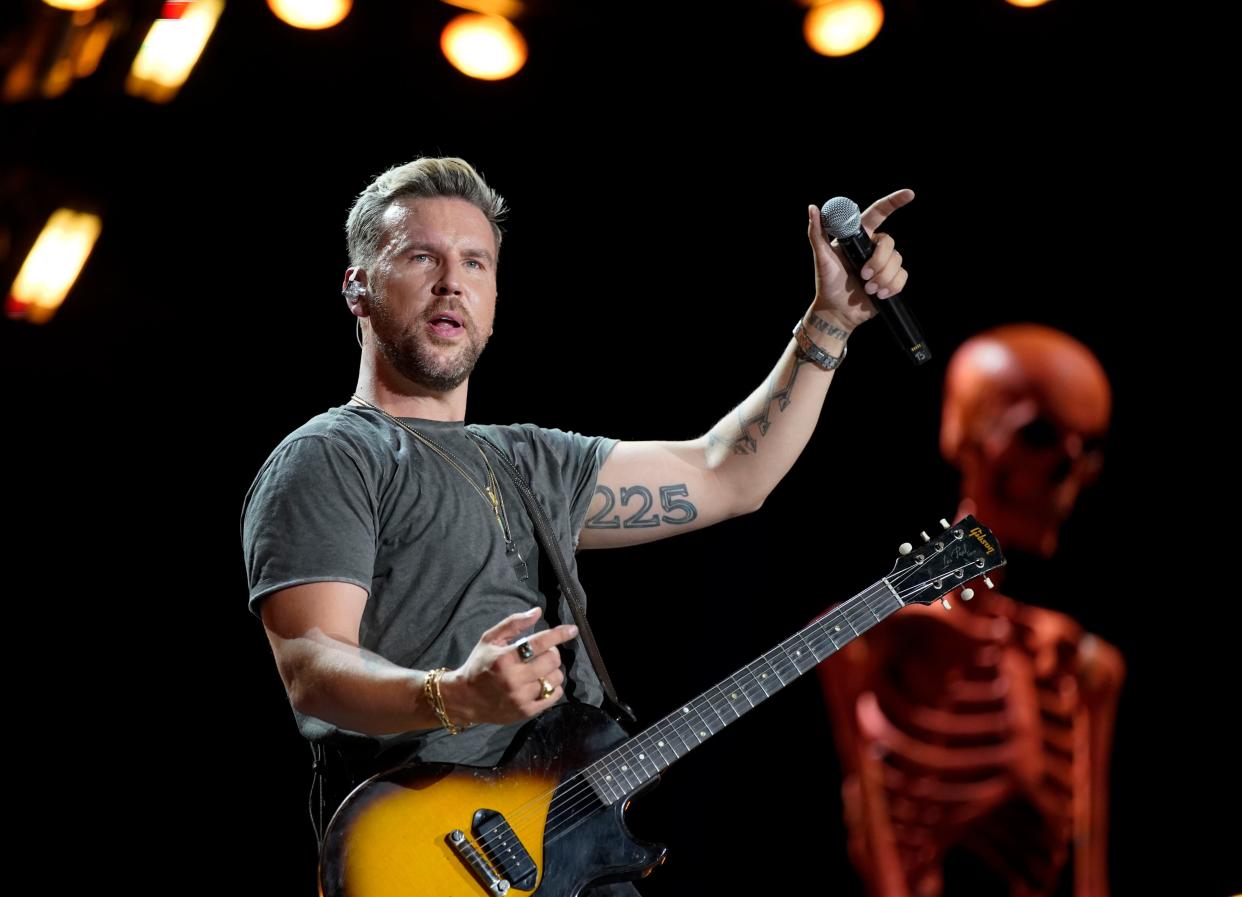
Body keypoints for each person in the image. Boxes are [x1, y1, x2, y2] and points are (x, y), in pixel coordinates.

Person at [241, 156, 914, 895]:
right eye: (421, 256)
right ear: (357, 287)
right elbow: (311, 663)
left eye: (474, 261)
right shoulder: (334, 455)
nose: (450, 282)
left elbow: (728, 474)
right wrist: (454, 694)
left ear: (495, 296)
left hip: (569, 861)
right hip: (429, 858)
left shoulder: (534, 461)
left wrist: (829, 324)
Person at [816, 324, 1125, 897]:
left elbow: (1089, 871)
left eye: (1087, 453)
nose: (1067, 476)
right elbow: (869, 823)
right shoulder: (885, 639)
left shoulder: (1078, 661)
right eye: (1039, 438)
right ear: (971, 438)